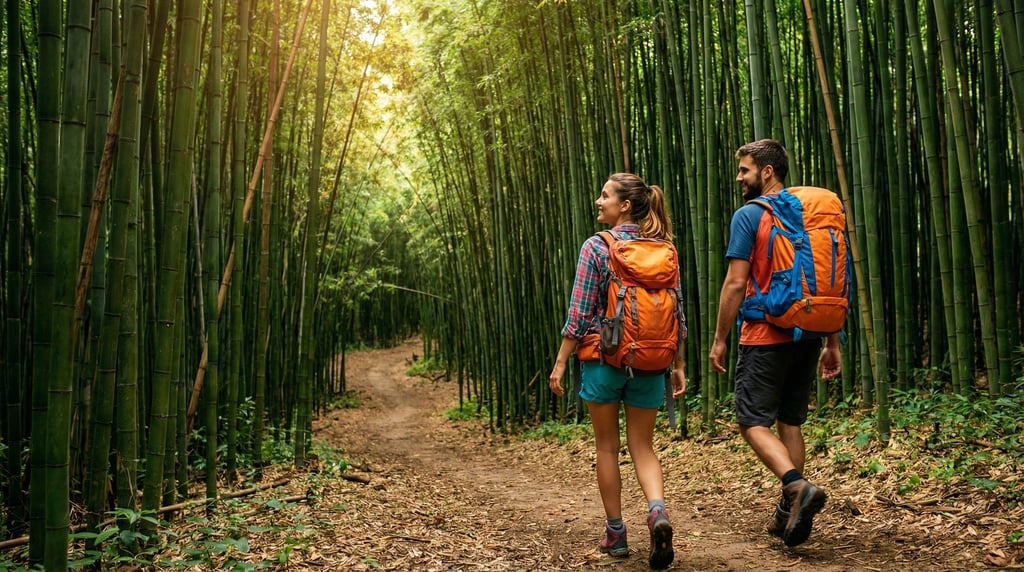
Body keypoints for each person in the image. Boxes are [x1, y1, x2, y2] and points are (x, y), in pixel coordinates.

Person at [549, 173, 687, 570]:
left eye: (605, 195)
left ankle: (617, 535)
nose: (598, 200)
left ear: (624, 205)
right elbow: (678, 309)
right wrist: (677, 363)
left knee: (607, 447)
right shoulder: (664, 248)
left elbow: (579, 314)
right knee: (644, 446)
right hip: (650, 361)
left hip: (603, 361)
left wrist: (561, 361)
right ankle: (657, 511)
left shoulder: (597, 247)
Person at [709, 139, 842, 548]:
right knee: (791, 421)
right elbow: (826, 278)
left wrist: (719, 339)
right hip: (807, 333)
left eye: (745, 170)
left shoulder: (751, 215)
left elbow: (735, 283)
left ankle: (796, 487)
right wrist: (831, 341)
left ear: (767, 172)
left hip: (764, 333)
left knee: (751, 422)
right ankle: (788, 513)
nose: (739, 177)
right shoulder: (807, 216)